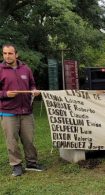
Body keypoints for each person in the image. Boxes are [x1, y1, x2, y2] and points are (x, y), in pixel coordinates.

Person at [1, 44, 44, 176]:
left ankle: (31, 162)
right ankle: (16, 165)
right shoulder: (0, 69)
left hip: (26, 111)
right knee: (12, 141)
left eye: (10, 53)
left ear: (16, 54)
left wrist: (34, 91)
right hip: (8, 111)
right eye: (5, 53)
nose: (7, 56)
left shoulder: (26, 69)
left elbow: (32, 84)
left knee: (29, 139)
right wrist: (5, 94)